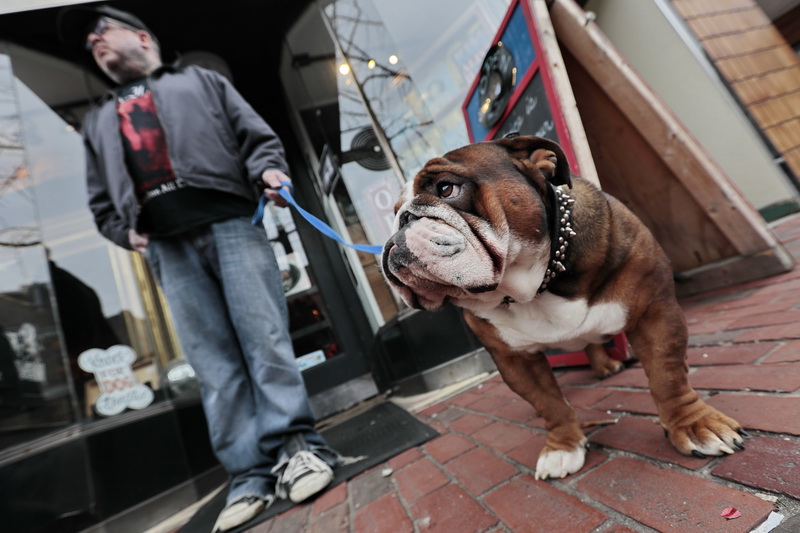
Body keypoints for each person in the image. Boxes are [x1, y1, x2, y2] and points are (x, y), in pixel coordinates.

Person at [58, 5, 339, 531]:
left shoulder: (200, 80)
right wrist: (125, 233)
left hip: (232, 222)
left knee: (265, 341)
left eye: (102, 29)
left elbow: (256, 138)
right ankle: (250, 476)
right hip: (166, 247)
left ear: (142, 36)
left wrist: (271, 171)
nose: (94, 40)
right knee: (212, 364)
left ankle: (300, 449)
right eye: (88, 40)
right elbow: (100, 205)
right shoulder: (95, 121)